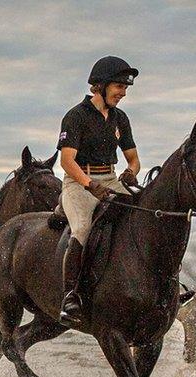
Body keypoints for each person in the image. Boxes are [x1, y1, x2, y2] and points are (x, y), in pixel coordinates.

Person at [56, 55, 142, 327]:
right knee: (82, 228)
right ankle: (70, 296)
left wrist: (132, 172)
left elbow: (133, 158)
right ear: (101, 85)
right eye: (119, 87)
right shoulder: (76, 116)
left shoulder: (120, 118)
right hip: (79, 180)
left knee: (142, 217)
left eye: (125, 88)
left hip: (111, 177)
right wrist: (91, 186)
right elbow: (67, 162)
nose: (123, 93)